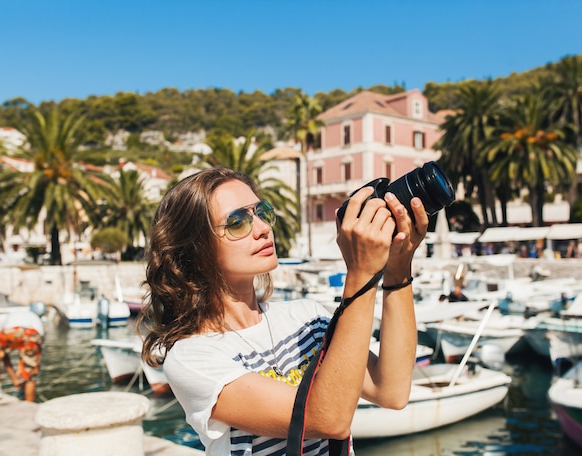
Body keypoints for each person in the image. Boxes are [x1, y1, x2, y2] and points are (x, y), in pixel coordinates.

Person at [139, 167, 428, 455]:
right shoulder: (193, 357)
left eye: (261, 212)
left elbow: (390, 391)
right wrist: (361, 273)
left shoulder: (307, 317)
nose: (263, 228)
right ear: (196, 252)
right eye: (237, 222)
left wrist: (398, 269)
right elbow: (325, 419)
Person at [0, 302, 46, 402]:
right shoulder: (37, 320)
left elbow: (2, 355)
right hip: (33, 333)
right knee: (30, 373)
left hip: (12, 330)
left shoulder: (13, 315)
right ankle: (29, 406)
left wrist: (13, 377)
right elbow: (38, 342)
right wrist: (16, 376)